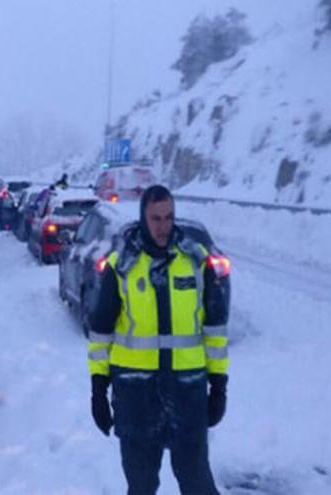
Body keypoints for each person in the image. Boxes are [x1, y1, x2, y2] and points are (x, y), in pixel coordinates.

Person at [88, 184, 230, 494]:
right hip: (136, 396)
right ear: (143, 218)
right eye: (156, 219)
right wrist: (98, 390)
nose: (163, 226)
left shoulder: (196, 262)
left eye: (168, 217)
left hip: (187, 393)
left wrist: (218, 385)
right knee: (140, 487)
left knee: (198, 484)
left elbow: (215, 331)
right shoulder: (121, 266)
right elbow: (100, 333)